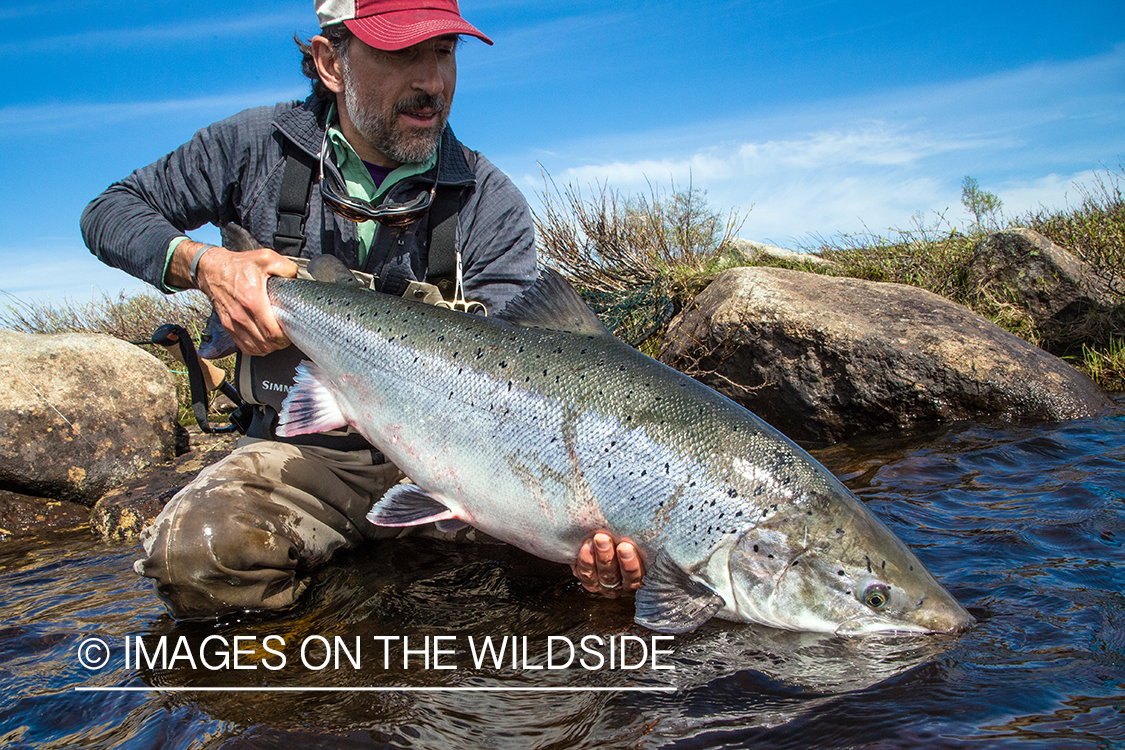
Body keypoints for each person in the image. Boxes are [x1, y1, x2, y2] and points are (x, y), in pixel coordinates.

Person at [81, 0, 642, 619]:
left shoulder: (489, 199)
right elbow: (109, 212)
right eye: (403, 53)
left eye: (444, 52)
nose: (431, 80)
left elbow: (526, 375)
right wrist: (203, 264)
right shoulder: (251, 148)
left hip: (465, 465)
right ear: (329, 62)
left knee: (573, 588)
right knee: (197, 559)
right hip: (313, 457)